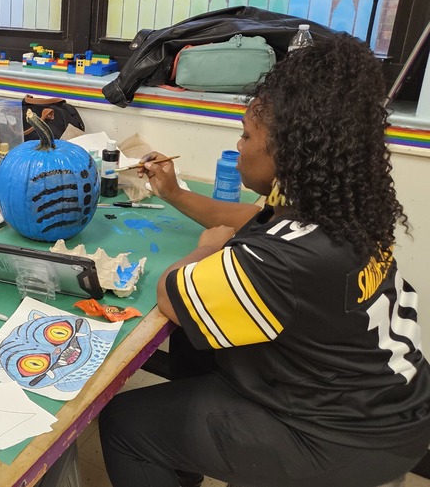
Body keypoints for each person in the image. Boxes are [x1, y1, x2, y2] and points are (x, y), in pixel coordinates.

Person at [99, 33, 430, 487]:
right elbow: (253, 216)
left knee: (125, 423)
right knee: (196, 345)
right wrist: (174, 193)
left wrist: (205, 251)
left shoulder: (282, 260)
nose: (239, 146)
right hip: (390, 403)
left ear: (288, 150)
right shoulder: (345, 210)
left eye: (246, 135)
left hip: (343, 440)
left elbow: (170, 295)